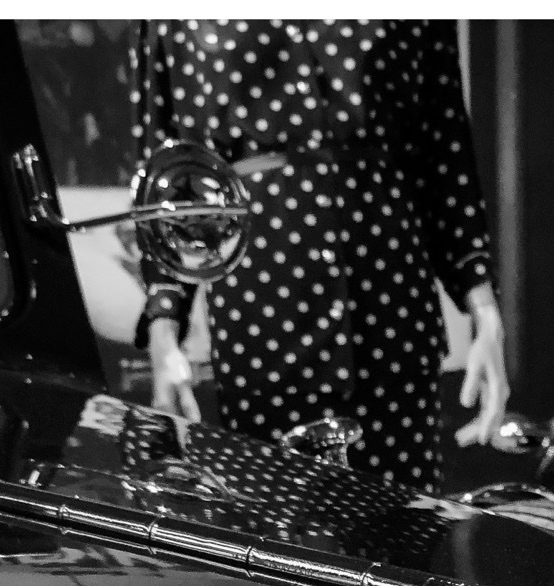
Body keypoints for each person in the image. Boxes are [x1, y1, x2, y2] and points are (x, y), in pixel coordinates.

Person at [130, 19, 509, 490]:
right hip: (262, 306)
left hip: (391, 300)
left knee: (404, 513)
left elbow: (445, 152)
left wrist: (485, 311)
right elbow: (166, 177)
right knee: (274, 515)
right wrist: (164, 328)